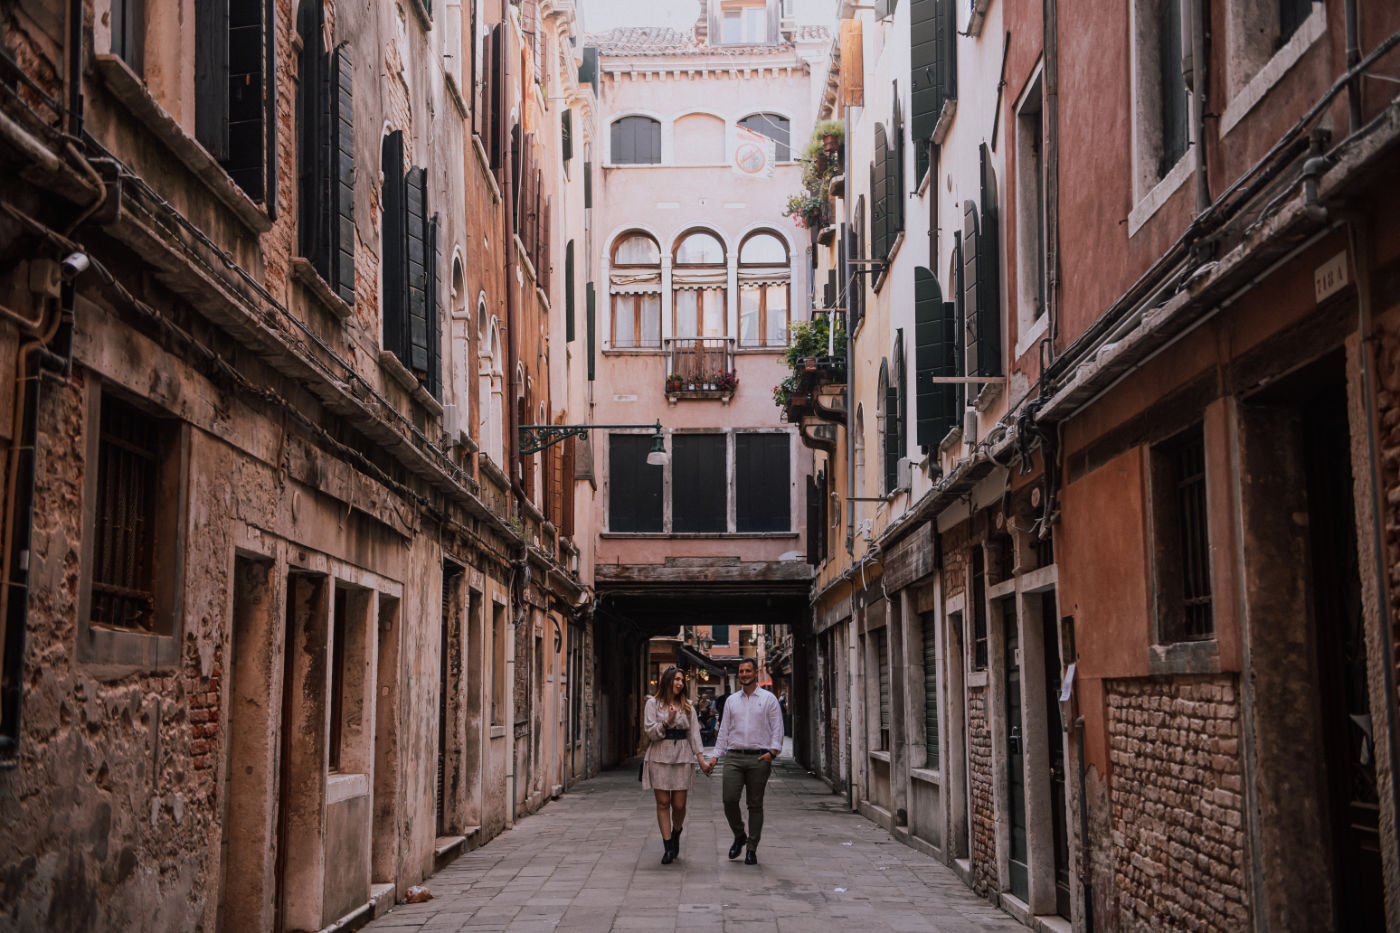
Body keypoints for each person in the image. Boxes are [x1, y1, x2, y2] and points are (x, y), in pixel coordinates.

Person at [710, 658, 784, 865]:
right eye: (741, 671)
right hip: (733, 757)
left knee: (755, 804)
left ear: (755, 673)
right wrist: (716, 756)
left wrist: (773, 752)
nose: (743, 674)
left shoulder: (768, 699)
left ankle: (752, 847)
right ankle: (739, 834)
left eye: (747, 671)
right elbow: (724, 730)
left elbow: (777, 727)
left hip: (759, 758)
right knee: (729, 799)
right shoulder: (732, 701)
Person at [642, 666, 710, 864]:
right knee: (663, 803)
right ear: (667, 680)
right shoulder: (652, 704)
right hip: (659, 754)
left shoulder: (688, 706)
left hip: (682, 755)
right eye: (677, 679)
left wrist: (701, 760)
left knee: (679, 804)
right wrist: (668, 721)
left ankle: (676, 832)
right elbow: (650, 732)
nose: (680, 683)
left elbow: (694, 734)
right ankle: (668, 846)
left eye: (682, 680)